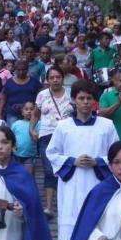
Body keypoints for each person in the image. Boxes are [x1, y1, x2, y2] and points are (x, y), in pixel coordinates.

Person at [46, 79, 119, 240]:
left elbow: (117, 155)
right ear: (73, 101)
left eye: (89, 98)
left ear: (95, 101)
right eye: (81, 98)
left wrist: (98, 162)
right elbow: (51, 153)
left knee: (97, 228)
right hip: (71, 188)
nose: (85, 102)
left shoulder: (107, 126)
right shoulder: (63, 127)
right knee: (71, 230)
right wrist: (72, 161)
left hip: (98, 188)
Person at [31, 66, 73, 219]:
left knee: (66, 168)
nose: (55, 80)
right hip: (47, 134)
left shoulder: (70, 95)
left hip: (67, 136)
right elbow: (36, 114)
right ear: (47, 80)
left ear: (63, 78)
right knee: (49, 170)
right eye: (52, 77)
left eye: (58, 77)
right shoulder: (42, 95)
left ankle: (65, 204)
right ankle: (49, 207)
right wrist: (32, 129)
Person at [0, 59, 42, 127]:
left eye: (23, 70)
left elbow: (41, 95)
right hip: (13, 114)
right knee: (13, 134)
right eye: (19, 70)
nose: (21, 72)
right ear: (15, 70)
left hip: (31, 114)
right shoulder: (9, 82)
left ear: (27, 69)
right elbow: (3, 98)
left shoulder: (34, 81)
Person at [12, 102, 40, 173]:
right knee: (17, 174)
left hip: (30, 155)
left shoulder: (38, 124)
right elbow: (11, 137)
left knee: (29, 175)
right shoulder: (16, 124)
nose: (29, 111)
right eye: (26, 109)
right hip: (16, 155)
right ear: (22, 112)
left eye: (32, 109)